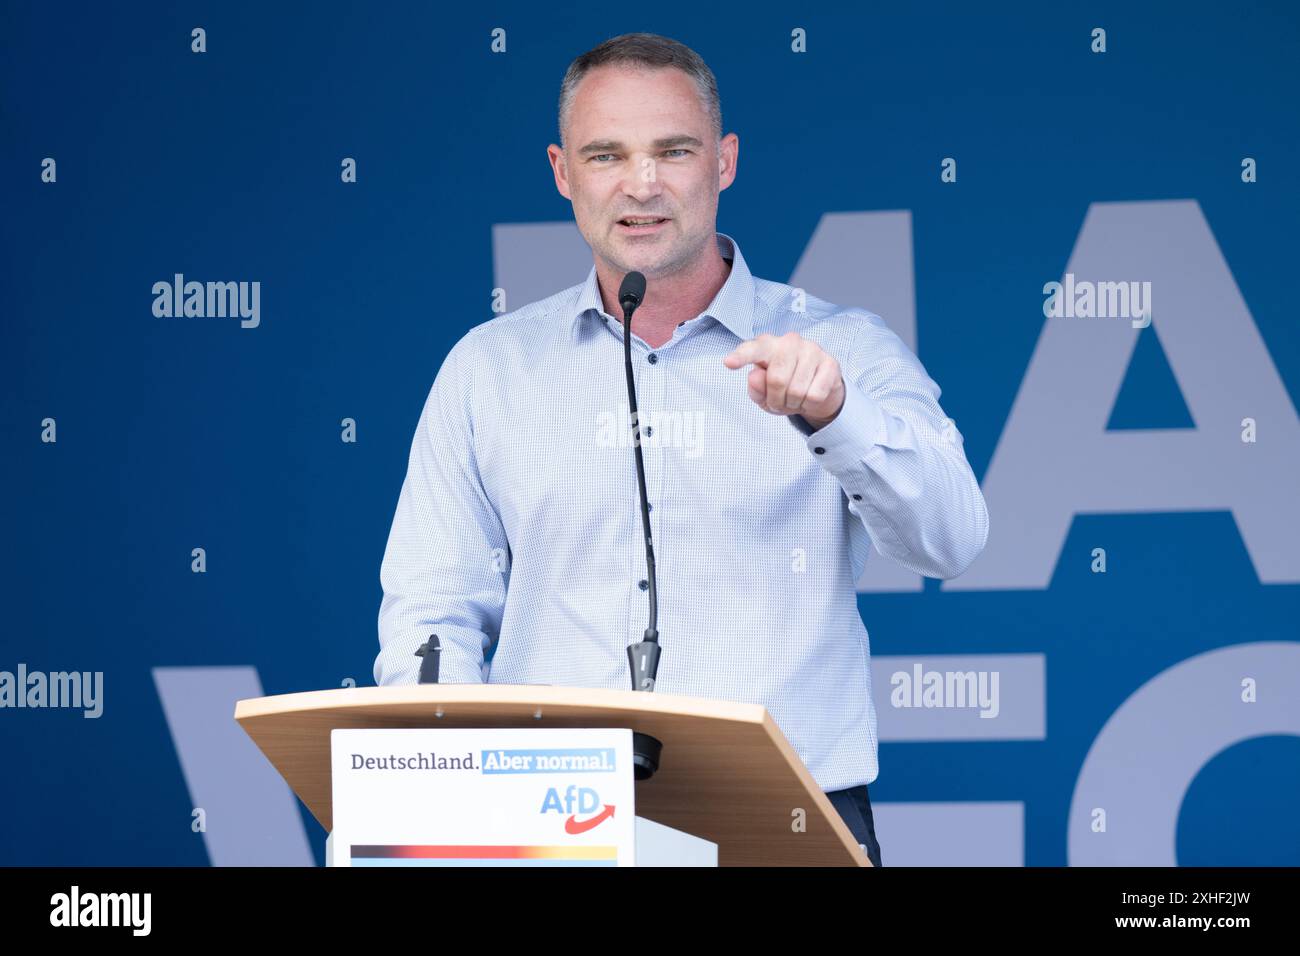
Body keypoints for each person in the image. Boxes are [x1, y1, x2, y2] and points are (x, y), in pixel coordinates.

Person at [375, 32, 990, 868]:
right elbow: (434, 610)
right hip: (544, 827)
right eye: (606, 155)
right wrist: (445, 795)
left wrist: (837, 414)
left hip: (788, 818)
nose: (642, 183)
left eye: (674, 150)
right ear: (562, 172)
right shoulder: (489, 368)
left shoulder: (842, 346)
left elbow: (950, 540)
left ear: (724, 161)